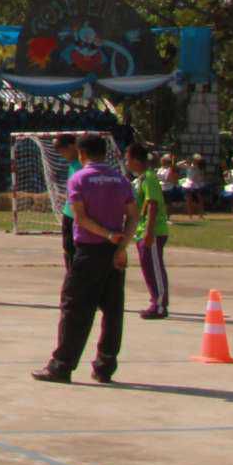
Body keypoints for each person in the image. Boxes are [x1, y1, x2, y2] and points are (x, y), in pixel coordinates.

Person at [35, 132, 135, 383]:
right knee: (112, 309)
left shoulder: (79, 178)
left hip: (90, 250)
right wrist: (121, 245)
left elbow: (80, 218)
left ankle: (62, 364)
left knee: (75, 307)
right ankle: (105, 365)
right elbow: (134, 216)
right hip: (114, 251)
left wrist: (107, 234)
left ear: (82, 154)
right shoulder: (121, 179)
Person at [126, 141, 170, 320]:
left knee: (154, 268)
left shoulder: (149, 178)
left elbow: (152, 204)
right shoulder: (141, 179)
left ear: (136, 160)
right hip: (142, 230)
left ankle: (159, 305)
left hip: (153, 230)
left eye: (128, 159)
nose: (126, 163)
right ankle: (155, 300)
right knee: (148, 268)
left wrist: (149, 232)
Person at [51, 133, 81, 270]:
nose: (62, 155)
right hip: (68, 214)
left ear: (72, 146)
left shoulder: (83, 165)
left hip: (78, 216)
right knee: (68, 249)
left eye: (62, 151)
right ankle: (71, 274)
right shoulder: (73, 164)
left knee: (77, 251)